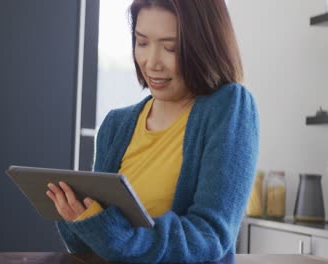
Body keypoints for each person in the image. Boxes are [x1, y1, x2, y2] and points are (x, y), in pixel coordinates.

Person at [46, 0, 259, 262]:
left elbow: (210, 234)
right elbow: (92, 244)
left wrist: (116, 236)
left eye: (171, 47)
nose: (152, 62)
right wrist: (77, 216)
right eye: (142, 42)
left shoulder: (228, 106)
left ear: (204, 46)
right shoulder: (116, 124)